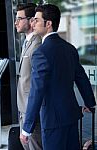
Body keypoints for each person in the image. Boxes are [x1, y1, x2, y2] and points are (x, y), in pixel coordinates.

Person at [20, 4, 96, 150]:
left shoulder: (41, 53)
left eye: (36, 20)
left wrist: (26, 128)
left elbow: (37, 91)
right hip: (71, 117)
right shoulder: (69, 48)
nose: (32, 23)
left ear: (48, 24)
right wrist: (89, 102)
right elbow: (81, 77)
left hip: (52, 122)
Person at [15, 3, 42, 150]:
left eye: (20, 18)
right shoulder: (27, 43)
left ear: (31, 21)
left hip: (31, 111)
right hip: (23, 109)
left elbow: (38, 84)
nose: (16, 22)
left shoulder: (37, 44)